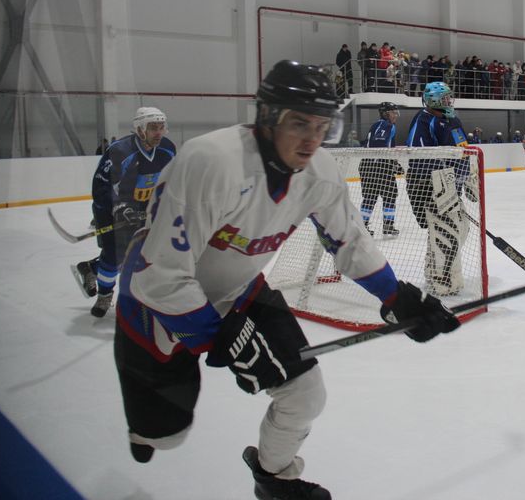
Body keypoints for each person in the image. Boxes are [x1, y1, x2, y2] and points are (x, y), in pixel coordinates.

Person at [112, 61, 459, 500]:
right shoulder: (210, 162)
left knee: (305, 394)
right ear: (267, 117)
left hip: (239, 290)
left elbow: (349, 240)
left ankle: (273, 478)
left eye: (323, 126)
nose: (313, 139)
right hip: (153, 307)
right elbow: (159, 275)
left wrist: (400, 298)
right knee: (162, 435)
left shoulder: (321, 172)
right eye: (299, 123)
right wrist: (215, 336)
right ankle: (147, 428)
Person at [73, 107, 175, 318]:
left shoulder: (167, 149)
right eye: (153, 127)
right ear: (140, 129)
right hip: (110, 210)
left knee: (141, 253)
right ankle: (104, 295)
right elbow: (101, 187)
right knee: (114, 255)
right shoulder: (120, 151)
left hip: (143, 210)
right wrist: (119, 208)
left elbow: (173, 179)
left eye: (161, 127)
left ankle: (91, 267)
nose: (158, 132)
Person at [406, 81, 473, 296]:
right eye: (444, 98)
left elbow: (463, 152)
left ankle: (436, 270)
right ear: (433, 100)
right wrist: (440, 182)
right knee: (445, 232)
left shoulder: (453, 120)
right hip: (428, 184)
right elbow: (420, 156)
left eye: (448, 97)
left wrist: (468, 177)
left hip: (449, 184)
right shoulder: (424, 119)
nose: (449, 101)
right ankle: (440, 280)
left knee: (461, 228)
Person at [359, 101, 402, 236]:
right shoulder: (386, 125)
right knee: (389, 195)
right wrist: (393, 163)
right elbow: (380, 144)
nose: (395, 115)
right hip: (380, 166)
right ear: (385, 114)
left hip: (367, 165)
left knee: (370, 197)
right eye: (393, 113)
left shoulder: (376, 125)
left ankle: (362, 226)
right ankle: (388, 225)